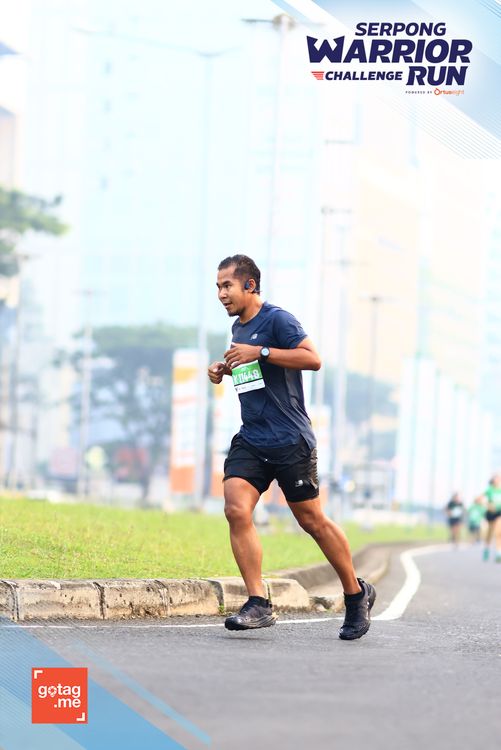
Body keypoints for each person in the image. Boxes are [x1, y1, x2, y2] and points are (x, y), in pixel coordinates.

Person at [208, 254, 376, 640]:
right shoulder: (239, 327)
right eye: (217, 287)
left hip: (290, 440)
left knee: (312, 521)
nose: (221, 294)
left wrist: (261, 352)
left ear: (250, 285)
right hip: (252, 437)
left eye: (227, 285)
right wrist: (226, 369)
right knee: (236, 509)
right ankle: (258, 602)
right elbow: (256, 373)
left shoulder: (278, 320)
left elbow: (312, 359)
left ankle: (355, 594)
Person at [482, 475, 501, 562]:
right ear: (493, 480)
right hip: (491, 513)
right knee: (489, 533)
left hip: (499, 513)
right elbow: (481, 499)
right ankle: (486, 549)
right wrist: (488, 505)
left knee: (499, 532)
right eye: (496, 478)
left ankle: (498, 553)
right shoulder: (489, 490)